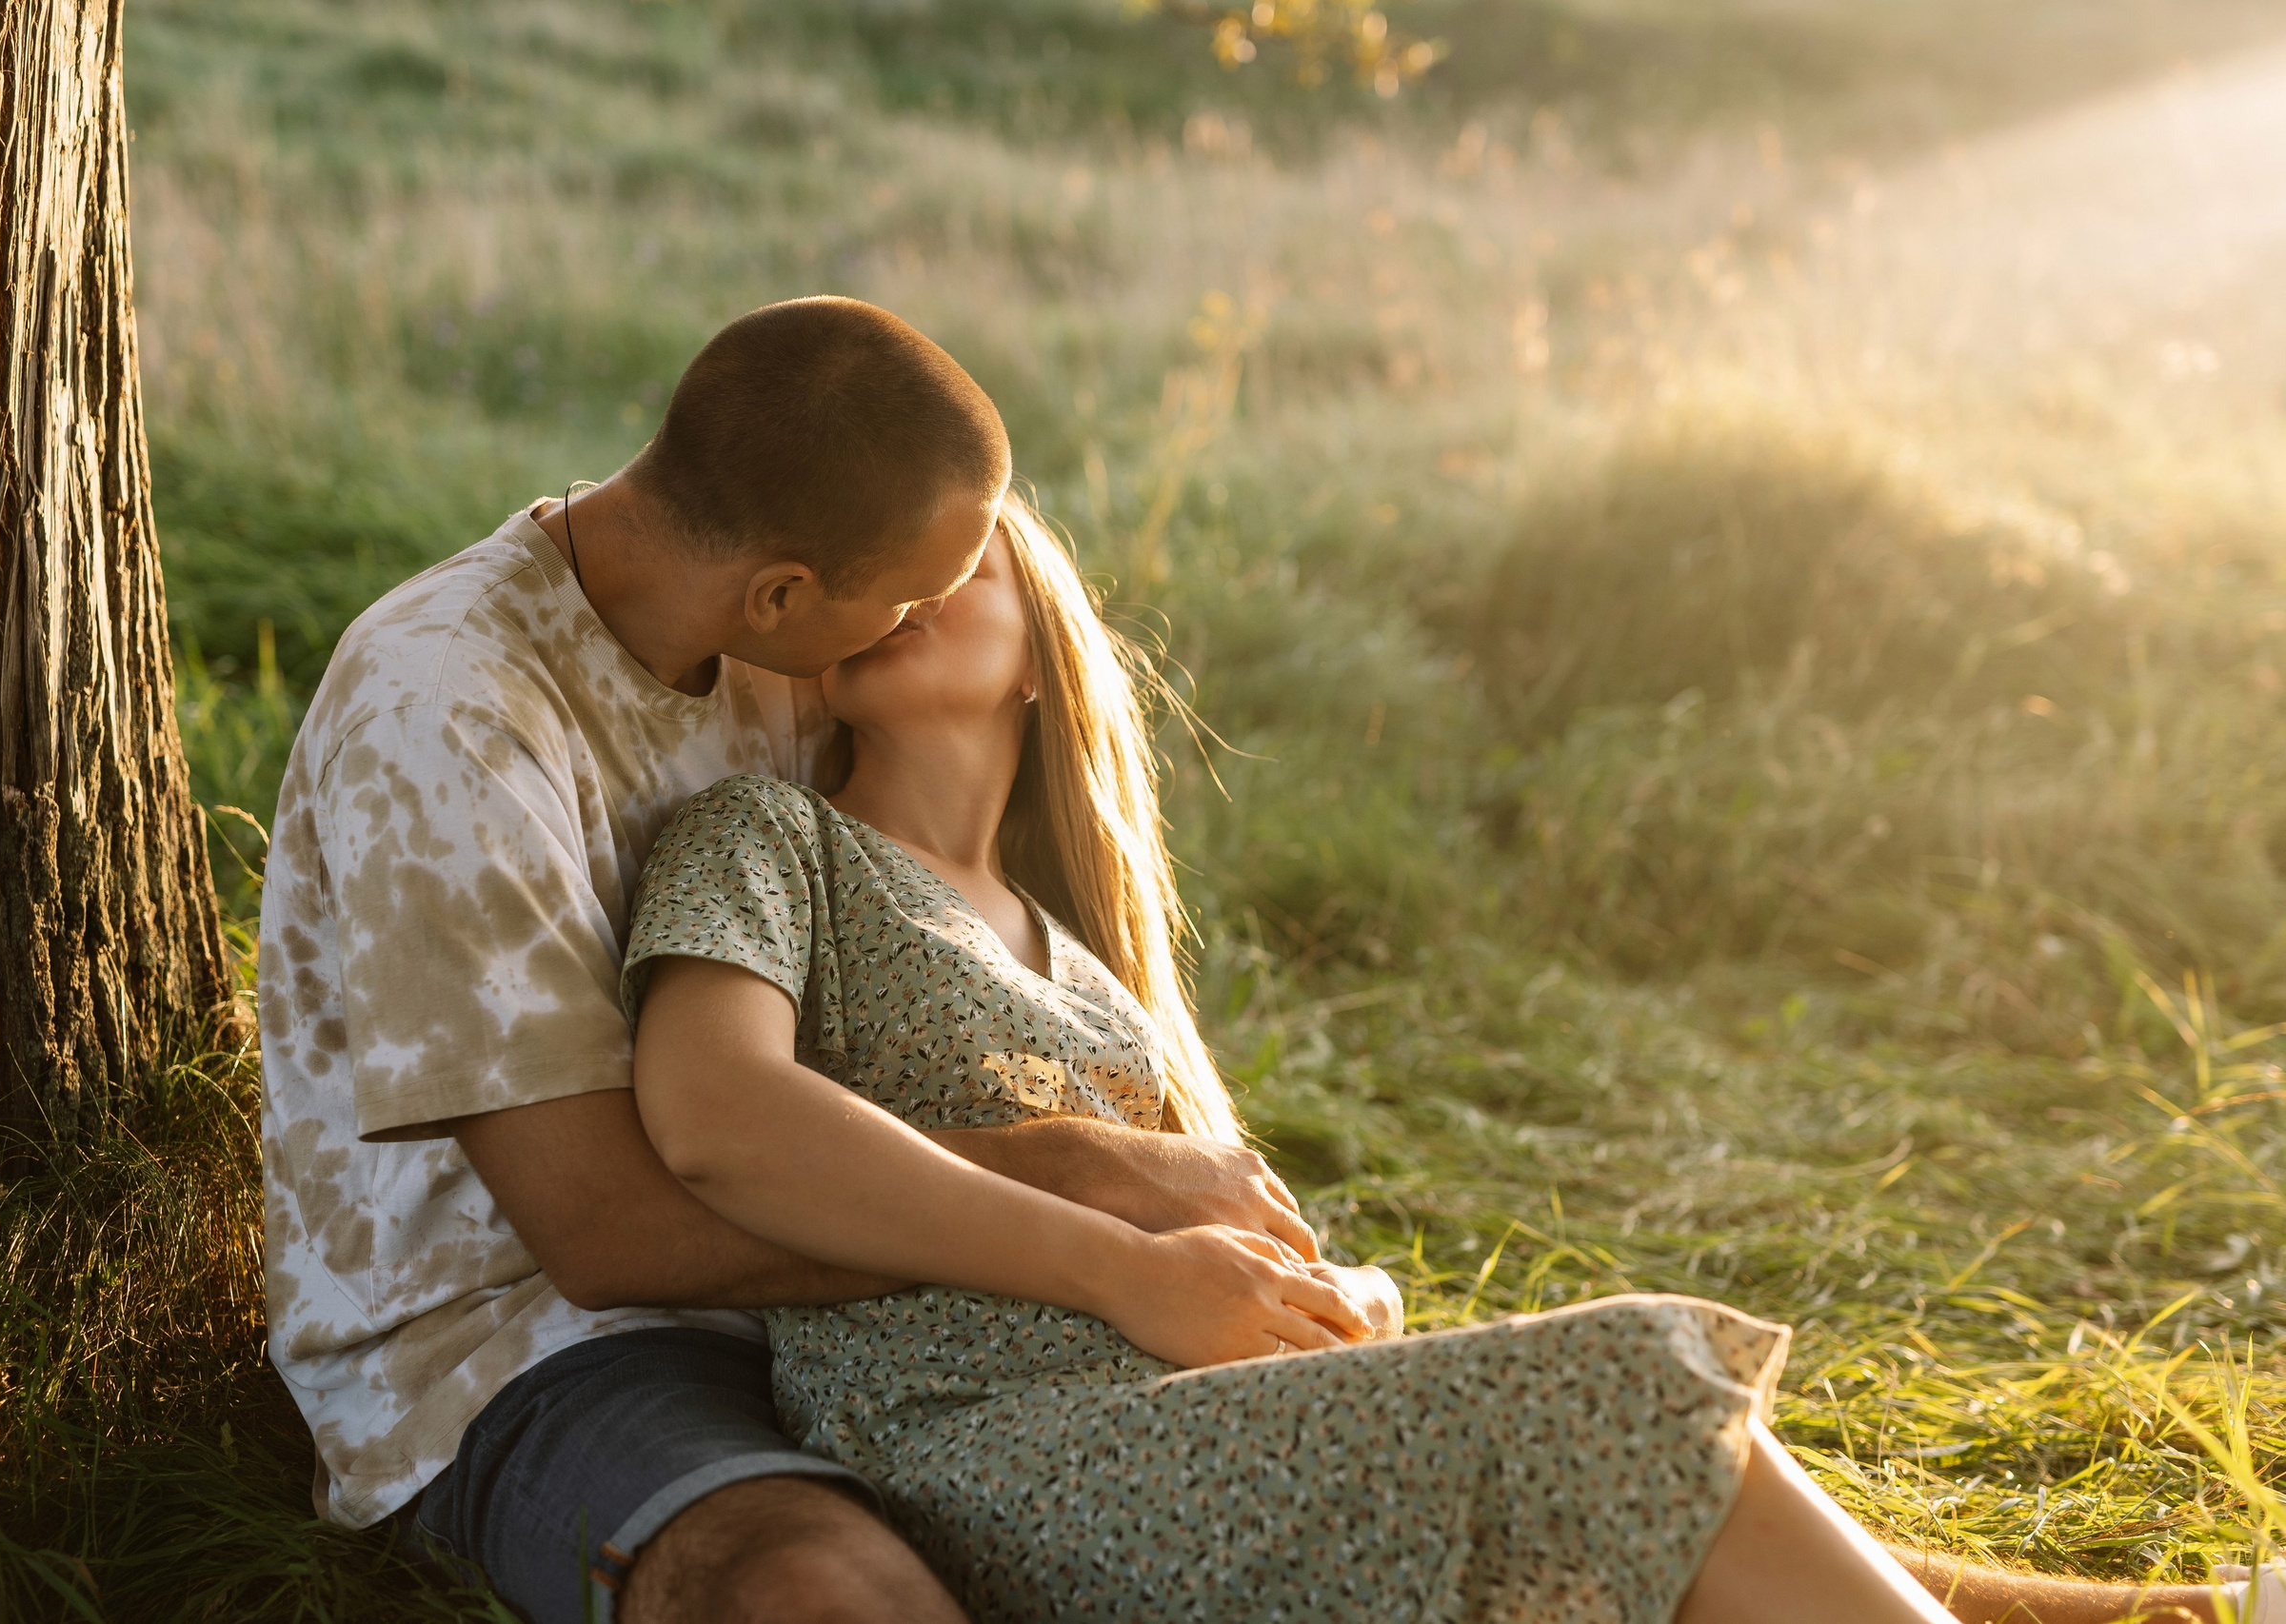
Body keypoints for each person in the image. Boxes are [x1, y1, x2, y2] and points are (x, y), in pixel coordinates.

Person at [618, 494, 2277, 1624]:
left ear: (1045, 640)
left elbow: (1232, 1246)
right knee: (1627, 1379)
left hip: (1194, 1418)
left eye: (951, 561)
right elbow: (711, 1112)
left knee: (1626, 1469)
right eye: (873, 568)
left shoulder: (1090, 960)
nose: (902, 589)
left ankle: (2185, 1615)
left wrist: (1323, 1294)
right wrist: (1122, 1253)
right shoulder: (768, 838)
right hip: (976, 1439)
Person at [258, 297, 1328, 1624]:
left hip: (864, 1311)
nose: (908, 630)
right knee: (818, 1589)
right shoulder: (448, 712)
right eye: (909, 602)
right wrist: (1084, 1181)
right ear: (781, 593)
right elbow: (604, 1232)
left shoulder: (782, 645)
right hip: (532, 1341)